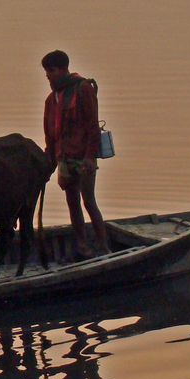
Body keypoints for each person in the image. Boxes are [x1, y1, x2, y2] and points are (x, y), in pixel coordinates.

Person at [41, 50, 110, 259]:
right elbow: (50, 134)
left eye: (51, 71)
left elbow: (92, 127)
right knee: (72, 203)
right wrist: (50, 162)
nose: (48, 76)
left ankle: (104, 247)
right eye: (46, 73)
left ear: (63, 70)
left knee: (89, 201)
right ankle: (82, 246)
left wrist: (90, 157)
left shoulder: (83, 89)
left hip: (83, 158)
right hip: (64, 158)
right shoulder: (51, 100)